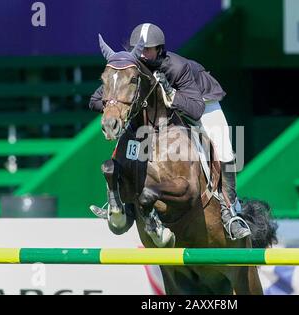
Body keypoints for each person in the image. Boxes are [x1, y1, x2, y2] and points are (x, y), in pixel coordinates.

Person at [89, 23, 250, 240]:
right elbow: (96, 100)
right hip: (158, 110)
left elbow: (195, 109)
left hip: (199, 98)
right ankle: (123, 202)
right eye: (138, 49)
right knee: (131, 138)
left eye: (147, 49)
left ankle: (230, 210)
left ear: (159, 50)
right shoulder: (130, 66)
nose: (142, 55)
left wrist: (171, 93)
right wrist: (116, 105)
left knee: (223, 145)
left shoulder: (176, 67)